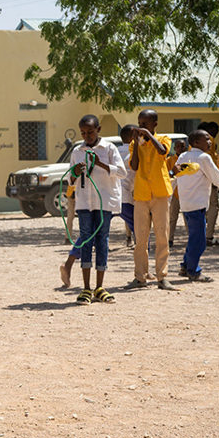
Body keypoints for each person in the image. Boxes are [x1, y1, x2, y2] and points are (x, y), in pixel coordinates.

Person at [68, 115, 125, 304]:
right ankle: (85, 288)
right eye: (83, 133)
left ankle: (100, 287)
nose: (87, 136)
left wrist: (99, 164)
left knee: (102, 239)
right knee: (86, 239)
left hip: (104, 202)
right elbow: (70, 178)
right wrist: (75, 173)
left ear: (98, 129)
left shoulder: (109, 148)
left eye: (90, 132)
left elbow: (122, 172)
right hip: (85, 203)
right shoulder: (78, 151)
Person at [175, 130, 219, 281]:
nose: (210, 142)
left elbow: (177, 175)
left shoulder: (183, 156)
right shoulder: (204, 157)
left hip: (186, 203)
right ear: (196, 142)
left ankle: (186, 266)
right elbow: (216, 177)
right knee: (199, 241)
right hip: (197, 204)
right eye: (206, 139)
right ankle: (193, 271)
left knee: (194, 237)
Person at [126, 109, 177, 290]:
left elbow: (163, 151)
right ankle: (140, 277)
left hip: (160, 192)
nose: (141, 127)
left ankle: (162, 277)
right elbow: (134, 166)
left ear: (154, 124)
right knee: (141, 237)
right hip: (141, 194)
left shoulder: (163, 139)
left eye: (145, 124)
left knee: (162, 236)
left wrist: (148, 136)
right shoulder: (136, 144)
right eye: (140, 124)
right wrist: (136, 143)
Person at [201, 121, 219, 245]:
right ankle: (208, 236)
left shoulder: (194, 146)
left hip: (199, 180)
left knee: (202, 208)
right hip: (210, 179)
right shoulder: (210, 141)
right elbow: (211, 163)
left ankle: (201, 235)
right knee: (213, 207)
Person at [118, 124, 137, 248]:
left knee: (99, 225)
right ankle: (144, 246)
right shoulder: (133, 152)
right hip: (125, 193)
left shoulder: (115, 151)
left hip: (111, 193)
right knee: (136, 224)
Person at [167, 139, 188, 248]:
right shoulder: (170, 160)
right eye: (179, 147)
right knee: (172, 217)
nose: (181, 149)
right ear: (175, 149)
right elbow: (167, 174)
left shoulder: (188, 159)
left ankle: (190, 238)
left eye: (183, 146)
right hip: (174, 192)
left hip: (186, 192)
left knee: (187, 217)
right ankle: (169, 239)